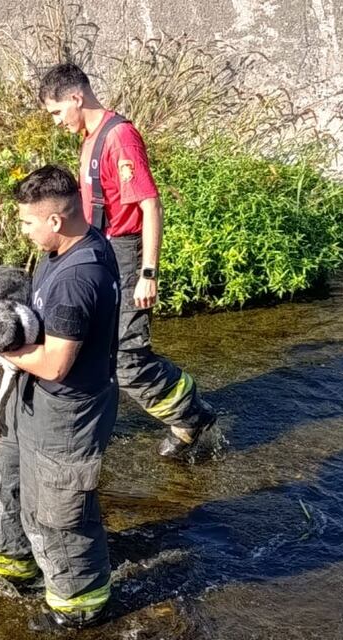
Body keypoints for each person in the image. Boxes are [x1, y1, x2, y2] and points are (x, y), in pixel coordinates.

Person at [38, 62, 218, 458]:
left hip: (126, 254)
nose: (56, 122)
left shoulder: (120, 138)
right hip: (99, 251)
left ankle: (191, 414)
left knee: (129, 359)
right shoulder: (90, 139)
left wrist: (147, 274)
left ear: (75, 97)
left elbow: (150, 205)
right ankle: (91, 428)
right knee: (89, 347)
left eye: (56, 112)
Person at [0, 165, 121, 629]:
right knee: (2, 470)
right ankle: (9, 564)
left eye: (27, 223)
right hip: (32, 397)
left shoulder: (78, 279)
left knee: (56, 513)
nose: (24, 232)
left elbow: (56, 363)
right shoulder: (71, 245)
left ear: (55, 221)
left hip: (67, 411)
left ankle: (80, 606)